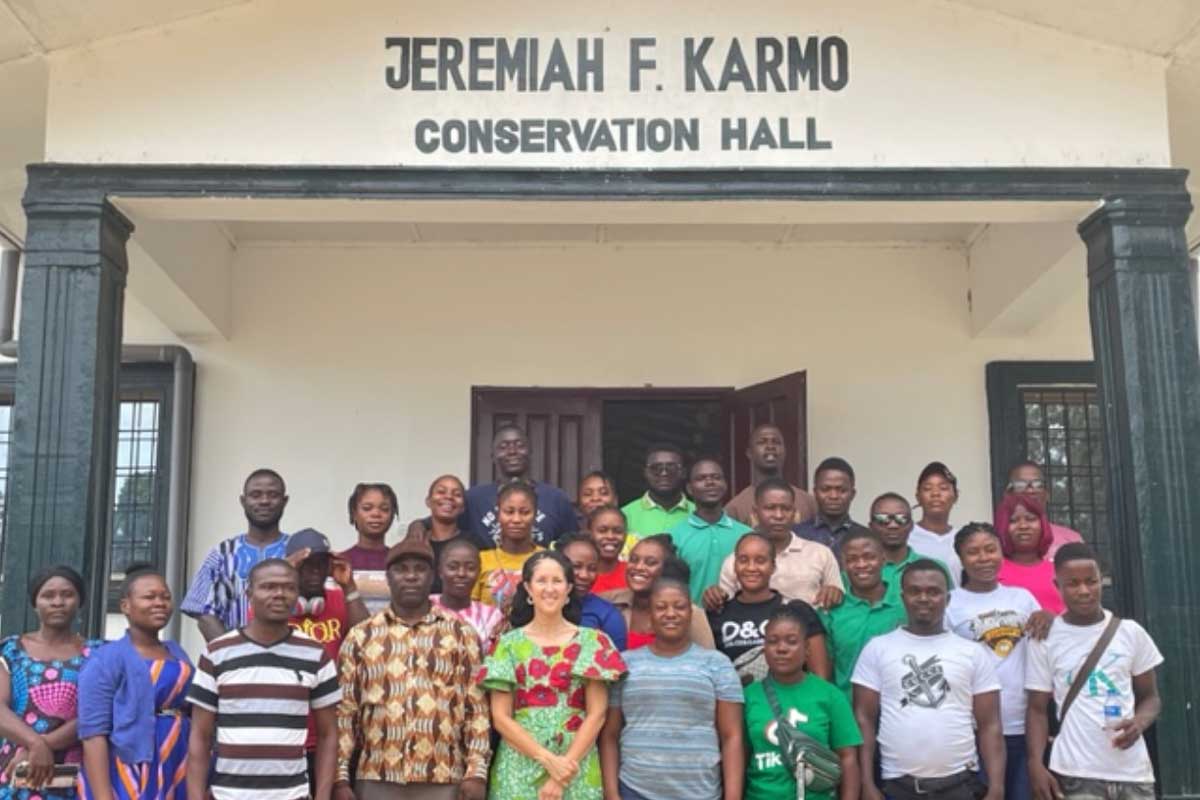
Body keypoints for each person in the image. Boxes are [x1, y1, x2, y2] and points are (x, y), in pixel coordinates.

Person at [335, 538, 491, 800]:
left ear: (432, 577)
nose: (410, 577)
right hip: (377, 775)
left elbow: (476, 707)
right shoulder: (361, 636)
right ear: (389, 577)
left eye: (419, 569)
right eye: (401, 569)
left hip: (443, 775)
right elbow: (345, 710)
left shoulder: (460, 633)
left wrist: (476, 771)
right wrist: (340, 778)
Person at [477, 550, 626, 800]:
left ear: (569, 588)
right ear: (528, 588)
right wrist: (547, 760)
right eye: (541, 581)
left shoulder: (593, 641)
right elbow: (501, 717)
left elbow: (597, 713)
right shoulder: (508, 644)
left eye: (557, 581)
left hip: (575, 764)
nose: (549, 588)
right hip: (519, 764)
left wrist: (562, 771)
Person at [185, 559, 340, 800]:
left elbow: (329, 735)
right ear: (249, 594)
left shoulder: (315, 655)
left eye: (289, 587)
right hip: (229, 795)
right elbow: (200, 736)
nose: (279, 594)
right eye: (268, 587)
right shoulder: (216, 653)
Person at [852, 560, 1005, 800]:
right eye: (915, 591)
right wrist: (866, 783)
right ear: (903, 598)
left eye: (933, 592)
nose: (924, 598)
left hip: (961, 785)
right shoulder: (877, 649)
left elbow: (990, 724)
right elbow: (864, 720)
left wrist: (996, 786)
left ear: (948, 599)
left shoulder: (972, 653)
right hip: (898, 786)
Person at [1026, 543, 1163, 800]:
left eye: (1092, 581)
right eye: (1073, 584)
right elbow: (1036, 708)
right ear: (1058, 586)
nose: (1084, 591)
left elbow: (1151, 697)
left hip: (1133, 772)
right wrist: (1035, 764)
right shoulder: (1045, 638)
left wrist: (1139, 723)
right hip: (1075, 772)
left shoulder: (1130, 633)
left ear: (1103, 581)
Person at [599, 577, 744, 800]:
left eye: (679, 606)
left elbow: (732, 736)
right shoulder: (624, 664)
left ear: (691, 613)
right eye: (661, 607)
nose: (670, 613)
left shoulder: (717, 664)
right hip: (635, 789)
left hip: (701, 792)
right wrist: (611, 793)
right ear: (649, 615)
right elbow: (609, 735)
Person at [946, 523, 1050, 800]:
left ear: (1001, 552)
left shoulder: (1022, 598)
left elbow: (1045, 645)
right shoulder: (950, 603)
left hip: (1020, 722)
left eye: (990, 549)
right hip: (971, 727)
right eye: (973, 552)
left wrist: (1049, 617)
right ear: (961, 559)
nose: (983, 558)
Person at [78, 568, 193, 800]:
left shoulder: (177, 652)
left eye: (166, 597)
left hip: (177, 758)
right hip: (128, 765)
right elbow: (93, 733)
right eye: (149, 597)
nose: (160, 603)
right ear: (125, 606)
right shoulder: (106, 658)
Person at [742, 604, 863, 800]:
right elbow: (740, 758)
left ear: (807, 649)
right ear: (764, 648)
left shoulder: (830, 695)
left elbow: (848, 758)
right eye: (772, 641)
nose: (781, 649)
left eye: (791, 641)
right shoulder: (748, 696)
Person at [0, 566, 100, 800]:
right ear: (35, 603)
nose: (58, 602)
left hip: (76, 774)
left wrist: (42, 746)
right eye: (48, 595)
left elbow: (98, 712)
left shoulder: (98, 654)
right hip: (17, 769)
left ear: (79, 601)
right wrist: (33, 742)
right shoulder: (11, 650)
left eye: (67, 595)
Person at [706, 532, 830, 685]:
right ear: (734, 566)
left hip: (790, 704)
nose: (751, 568)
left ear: (773, 566)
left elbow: (821, 679)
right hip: (736, 704)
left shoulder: (798, 611)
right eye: (743, 560)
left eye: (760, 561)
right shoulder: (718, 613)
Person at [181, 468, 291, 641]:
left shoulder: (299, 550)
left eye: (273, 495)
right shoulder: (221, 554)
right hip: (234, 662)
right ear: (243, 501)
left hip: (290, 659)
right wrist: (234, 654)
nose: (264, 501)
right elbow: (204, 613)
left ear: (284, 501)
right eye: (255, 495)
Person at [710, 478, 843, 608]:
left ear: (794, 513)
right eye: (770, 508)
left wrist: (835, 594)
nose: (778, 515)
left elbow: (839, 602)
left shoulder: (820, 554)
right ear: (755, 513)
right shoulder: (738, 561)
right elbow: (726, 609)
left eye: (786, 508)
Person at [816, 530, 908, 700]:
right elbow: (825, 672)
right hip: (848, 709)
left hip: (898, 709)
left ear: (883, 559)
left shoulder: (904, 603)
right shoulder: (831, 609)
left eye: (869, 557)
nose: (861, 564)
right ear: (843, 565)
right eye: (852, 559)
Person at [462, 426, 576, 548]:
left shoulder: (556, 498)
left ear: (530, 451)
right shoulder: (473, 499)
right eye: (503, 447)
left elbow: (571, 547)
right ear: (493, 456)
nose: (512, 451)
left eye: (520, 445)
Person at [600, 535, 715, 650]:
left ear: (666, 568)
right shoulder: (606, 602)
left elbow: (708, 659)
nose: (639, 567)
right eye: (634, 560)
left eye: (650, 563)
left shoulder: (688, 612)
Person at [668, 458, 752, 604]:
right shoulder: (674, 536)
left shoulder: (747, 536)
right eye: (701, 478)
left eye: (716, 477)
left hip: (738, 622)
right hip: (692, 621)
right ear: (689, 488)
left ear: (725, 485)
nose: (710, 482)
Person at [725, 423, 817, 527]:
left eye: (776, 442)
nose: (770, 447)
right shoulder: (735, 508)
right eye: (762, 442)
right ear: (749, 453)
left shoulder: (808, 502)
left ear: (785, 451)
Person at [473, 480, 544, 609]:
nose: (516, 519)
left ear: (535, 515)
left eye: (525, 512)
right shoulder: (480, 560)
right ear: (498, 514)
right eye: (509, 512)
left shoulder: (547, 560)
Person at [556, 533, 628, 651]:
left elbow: (618, 663)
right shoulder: (539, 606)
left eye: (592, 568)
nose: (585, 575)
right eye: (576, 566)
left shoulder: (607, 615)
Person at [994, 494, 1065, 614]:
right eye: (1013, 521)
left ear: (1043, 524)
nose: (1023, 526)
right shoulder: (991, 572)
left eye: (1030, 519)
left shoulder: (1059, 571)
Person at [431, 538, 504, 650]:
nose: (461, 574)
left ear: (479, 572)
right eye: (453, 567)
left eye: (470, 568)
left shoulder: (492, 616)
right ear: (440, 571)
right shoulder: (426, 607)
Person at [403, 475, 472, 594]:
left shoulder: (473, 543)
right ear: (428, 501)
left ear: (463, 507)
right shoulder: (415, 541)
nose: (449, 497)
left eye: (456, 494)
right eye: (441, 492)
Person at [867, 493, 945, 595]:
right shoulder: (858, 572)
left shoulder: (935, 568)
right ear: (871, 526)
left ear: (911, 525)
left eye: (901, 518)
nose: (893, 525)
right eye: (883, 519)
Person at [793, 458, 870, 557]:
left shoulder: (865, 536)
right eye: (825, 489)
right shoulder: (796, 534)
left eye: (841, 490)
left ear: (852, 494)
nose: (833, 496)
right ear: (815, 492)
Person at [1004, 462, 1083, 558]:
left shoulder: (1071, 541)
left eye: (1038, 484)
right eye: (1020, 485)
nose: (1030, 490)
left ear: (1047, 494)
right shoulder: (995, 541)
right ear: (1007, 495)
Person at [906, 463, 962, 589]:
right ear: (918, 497)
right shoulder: (906, 537)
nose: (935, 493)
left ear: (955, 496)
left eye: (943, 488)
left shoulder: (963, 539)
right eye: (927, 488)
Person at [620, 444, 694, 537]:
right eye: (656, 468)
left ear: (683, 473)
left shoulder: (698, 514)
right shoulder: (625, 515)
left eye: (671, 468)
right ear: (645, 473)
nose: (664, 473)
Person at [339, 482, 400, 571]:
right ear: (354, 513)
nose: (376, 514)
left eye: (384, 509)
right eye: (367, 508)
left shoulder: (400, 562)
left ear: (392, 515)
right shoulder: (340, 562)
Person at [587, 507, 631, 595]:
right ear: (589, 534)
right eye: (602, 531)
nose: (610, 536)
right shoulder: (580, 576)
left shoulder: (632, 574)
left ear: (625, 536)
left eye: (618, 531)